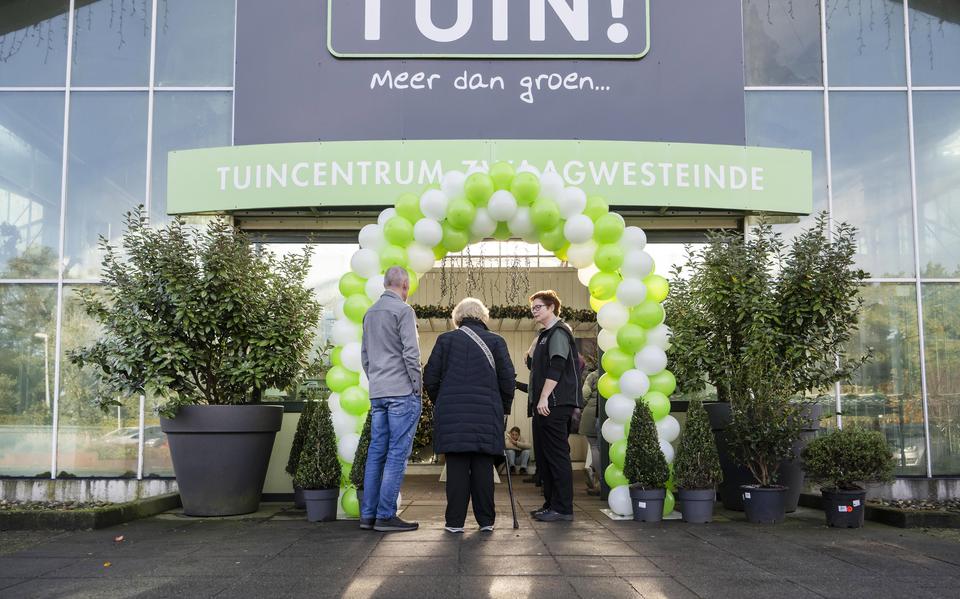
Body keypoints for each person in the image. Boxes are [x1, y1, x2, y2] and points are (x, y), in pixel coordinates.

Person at [424, 298, 516, 533]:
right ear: (483, 317)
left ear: (458, 318)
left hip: (452, 413)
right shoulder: (496, 341)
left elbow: (430, 377)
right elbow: (508, 381)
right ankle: (486, 521)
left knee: (456, 467)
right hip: (486, 414)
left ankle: (454, 522)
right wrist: (503, 408)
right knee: (484, 467)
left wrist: (442, 401)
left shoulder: (445, 340)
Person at [360, 266, 422, 533]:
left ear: (386, 283)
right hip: (401, 392)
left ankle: (368, 516)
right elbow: (411, 352)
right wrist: (417, 387)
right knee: (397, 454)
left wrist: (376, 381)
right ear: (405, 285)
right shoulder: (404, 311)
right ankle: (386, 515)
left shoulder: (369, 313)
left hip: (378, 393)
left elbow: (365, 356)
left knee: (376, 453)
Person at [526, 290, 584, 522]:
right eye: (532, 308)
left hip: (554, 405)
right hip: (544, 405)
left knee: (557, 455)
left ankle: (563, 508)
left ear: (552, 307)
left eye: (538, 307)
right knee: (544, 456)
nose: (534, 311)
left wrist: (543, 397)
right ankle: (550, 503)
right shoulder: (544, 335)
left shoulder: (559, 332)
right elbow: (534, 365)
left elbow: (557, 365)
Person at [579, 356, 601, 495]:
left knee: (594, 447)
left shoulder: (593, 376)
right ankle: (595, 472)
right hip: (610, 414)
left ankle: (597, 476)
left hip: (591, 413)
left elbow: (584, 395)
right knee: (605, 448)